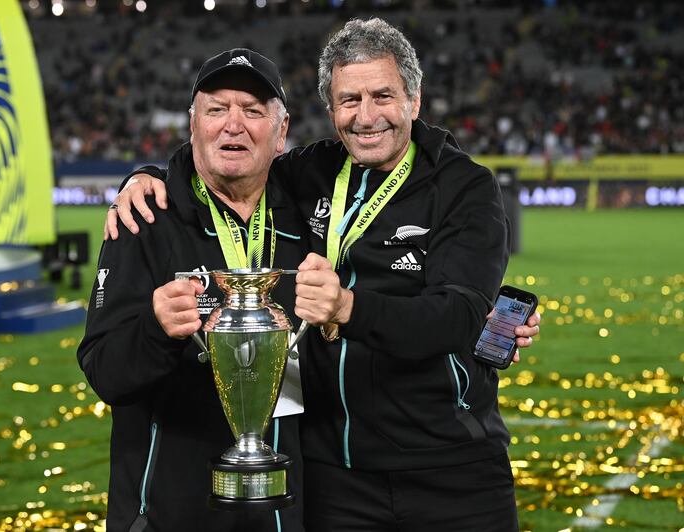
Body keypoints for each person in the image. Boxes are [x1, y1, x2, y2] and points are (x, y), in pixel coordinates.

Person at [106, 19, 541, 531]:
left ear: (414, 100)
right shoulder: (308, 174)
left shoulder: (464, 187)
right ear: (331, 110)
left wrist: (347, 308)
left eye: (383, 96)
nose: (367, 116)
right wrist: (148, 178)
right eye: (349, 100)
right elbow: (229, 158)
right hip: (334, 475)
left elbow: (459, 314)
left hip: (451, 467)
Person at [77, 49, 315, 531]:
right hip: (170, 513)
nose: (234, 125)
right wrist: (155, 328)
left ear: (281, 131)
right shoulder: (144, 218)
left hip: (282, 511)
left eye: (252, 111)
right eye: (216, 109)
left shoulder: (307, 220)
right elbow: (104, 370)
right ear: (192, 124)